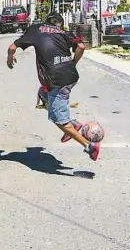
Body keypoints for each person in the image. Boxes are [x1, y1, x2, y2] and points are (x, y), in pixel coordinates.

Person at [6, 12, 101, 161]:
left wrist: (9, 57)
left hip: (57, 81)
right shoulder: (64, 32)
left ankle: (89, 146)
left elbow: (12, 47)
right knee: (43, 93)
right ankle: (73, 125)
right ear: (59, 24)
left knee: (59, 119)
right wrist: (73, 63)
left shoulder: (36, 29)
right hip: (70, 76)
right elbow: (81, 47)